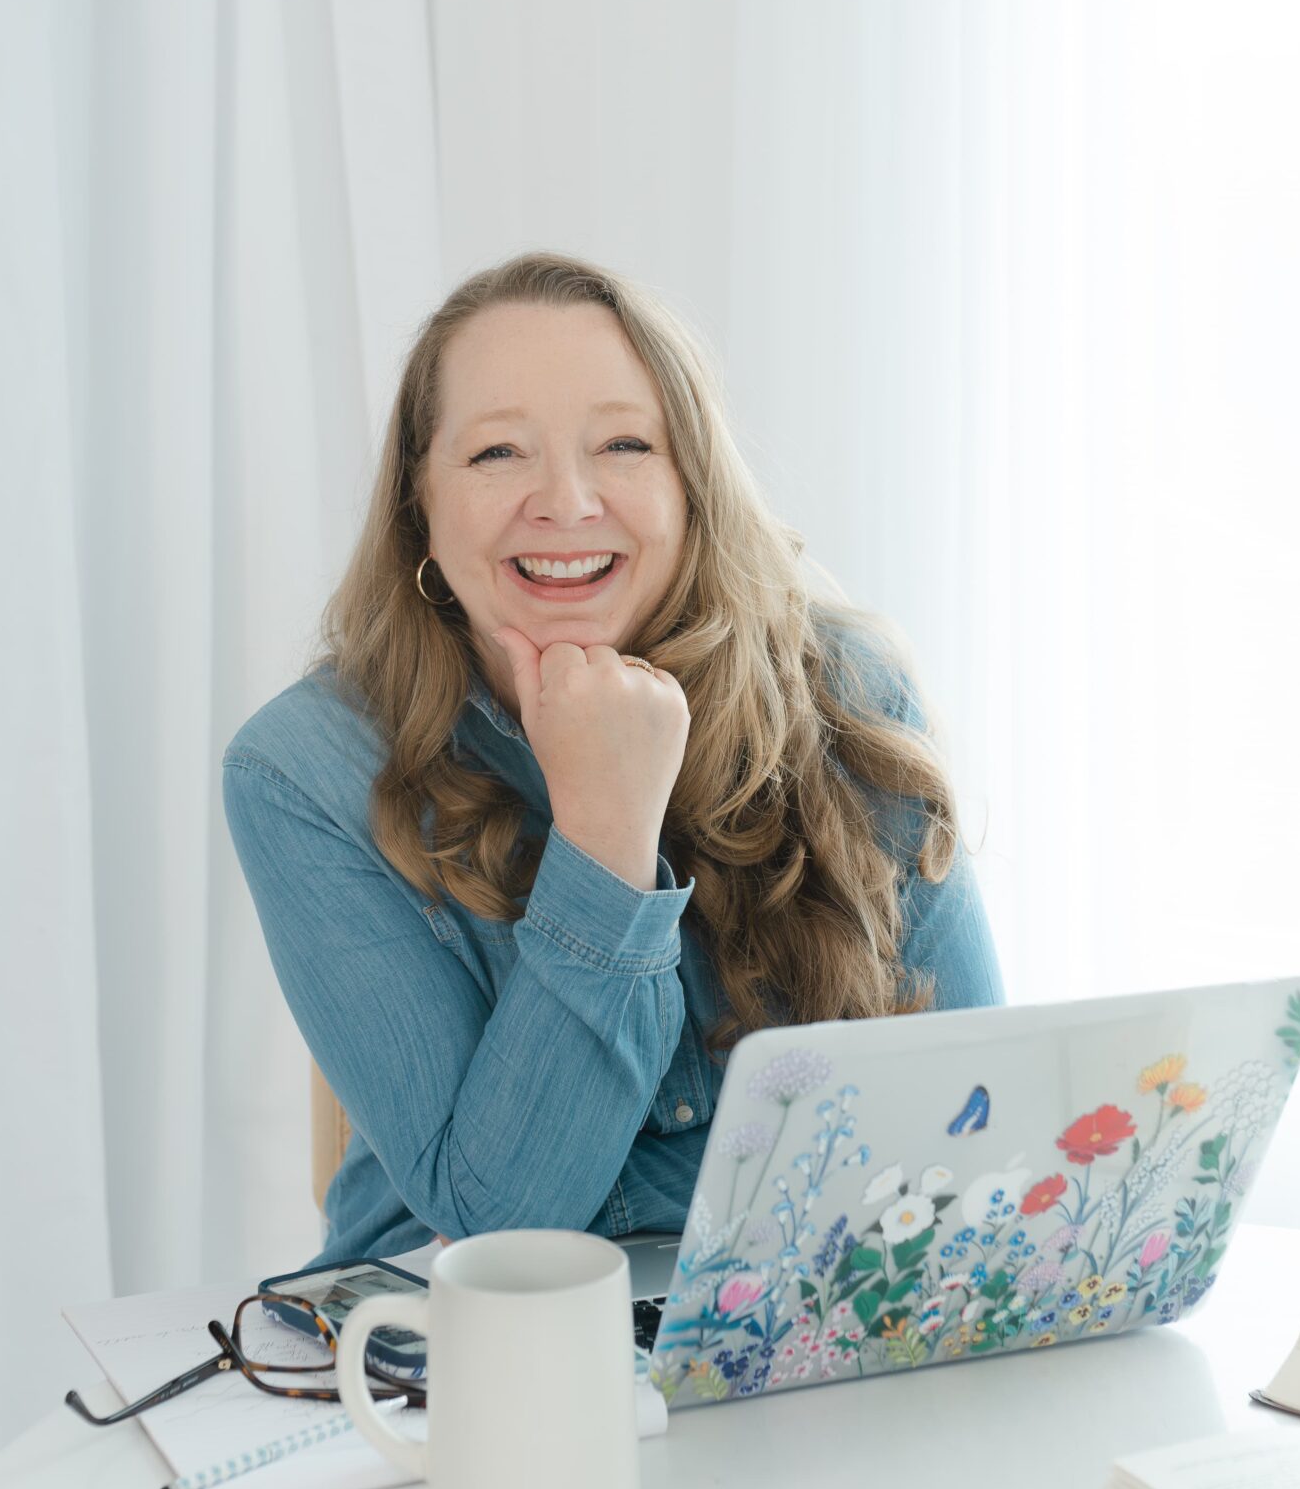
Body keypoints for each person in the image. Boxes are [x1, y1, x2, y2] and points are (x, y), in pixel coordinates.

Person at [222, 251, 1003, 1267]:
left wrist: (631, 1182)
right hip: (436, 1360)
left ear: (692, 485)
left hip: (800, 1332)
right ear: (420, 498)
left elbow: (978, 1124)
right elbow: (507, 1227)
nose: (567, 500)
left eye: (625, 443)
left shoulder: (848, 692)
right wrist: (604, 834)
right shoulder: (301, 771)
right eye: (498, 452)